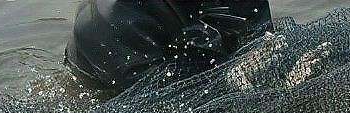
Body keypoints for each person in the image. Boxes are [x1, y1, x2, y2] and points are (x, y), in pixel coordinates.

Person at [66, 1, 272, 93]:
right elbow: (173, 109)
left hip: (192, 56)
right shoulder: (115, 19)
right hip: (119, 98)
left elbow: (260, 43)